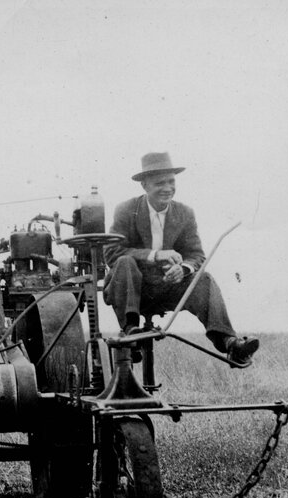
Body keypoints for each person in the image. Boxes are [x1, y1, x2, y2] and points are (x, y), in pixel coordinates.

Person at [102, 152, 260, 365]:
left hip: (166, 289)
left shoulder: (185, 213)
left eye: (171, 181)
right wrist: (155, 255)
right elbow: (112, 253)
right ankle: (132, 332)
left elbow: (196, 255)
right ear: (144, 186)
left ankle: (230, 343)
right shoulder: (126, 210)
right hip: (132, 291)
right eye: (160, 183)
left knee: (203, 279)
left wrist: (184, 269)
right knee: (125, 262)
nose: (167, 188)